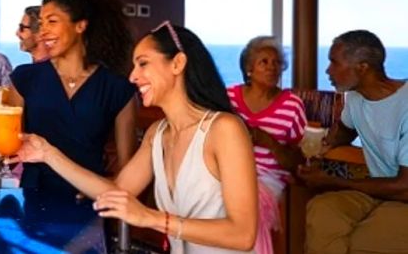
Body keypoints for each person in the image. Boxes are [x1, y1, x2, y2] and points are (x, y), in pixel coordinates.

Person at [14, 21, 258, 253]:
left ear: (178, 63)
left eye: (143, 64)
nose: (132, 76)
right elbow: (116, 192)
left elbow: (243, 234)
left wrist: (150, 217)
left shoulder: (224, 129)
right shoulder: (158, 134)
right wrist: (47, 153)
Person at [7, 0, 138, 195]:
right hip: (34, 200)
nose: (43, 32)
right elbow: (10, 149)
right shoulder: (25, 79)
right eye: (41, 24)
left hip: (90, 202)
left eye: (52, 21)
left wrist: (100, 191)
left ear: (80, 26)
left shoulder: (117, 88)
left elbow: (127, 168)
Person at [300, 30, 408, 254]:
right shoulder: (356, 98)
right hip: (376, 191)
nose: (328, 70)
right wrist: (325, 145)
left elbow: (404, 187)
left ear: (362, 67)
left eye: (334, 62)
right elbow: (346, 130)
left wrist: (332, 181)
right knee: (322, 212)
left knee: (365, 241)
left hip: (402, 196)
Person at [228, 36, 306, 254]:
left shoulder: (292, 105)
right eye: (264, 61)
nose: (272, 67)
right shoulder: (229, 98)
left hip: (267, 179)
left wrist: (268, 142)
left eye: (277, 63)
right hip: (227, 173)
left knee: (247, 210)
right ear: (248, 68)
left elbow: (298, 161)